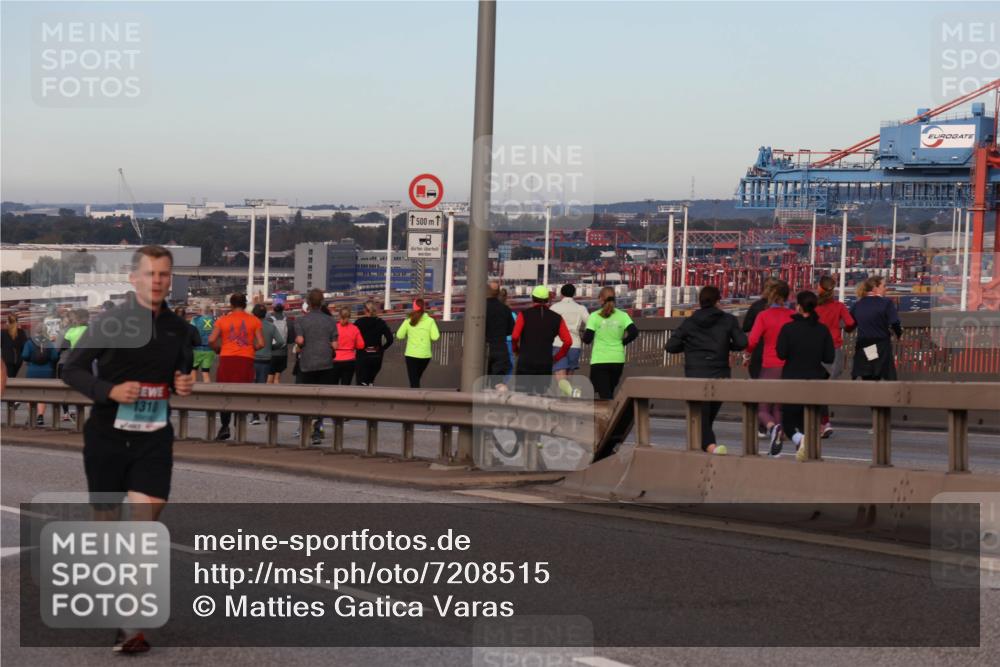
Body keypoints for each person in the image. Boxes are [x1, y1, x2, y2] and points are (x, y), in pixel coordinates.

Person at [61, 245, 194, 654]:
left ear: (171, 279)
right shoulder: (111, 322)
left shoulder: (179, 329)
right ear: (134, 278)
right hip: (106, 438)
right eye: (151, 274)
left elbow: (182, 373)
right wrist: (109, 391)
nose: (158, 281)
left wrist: (184, 384)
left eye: (164, 274)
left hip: (153, 438)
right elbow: (71, 368)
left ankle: (130, 626)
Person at [664, 285, 748, 455]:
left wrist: (690, 346)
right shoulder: (728, 320)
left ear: (700, 301)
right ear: (718, 301)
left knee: (702, 418)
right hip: (720, 375)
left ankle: (711, 447)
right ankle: (710, 447)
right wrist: (725, 345)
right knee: (707, 419)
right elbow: (742, 343)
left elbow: (671, 346)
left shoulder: (690, 322)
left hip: (696, 374)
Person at [776, 290, 836, 461]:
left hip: (792, 379)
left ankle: (800, 440)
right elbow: (829, 357)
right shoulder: (822, 330)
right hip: (815, 379)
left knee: (788, 421)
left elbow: (781, 354)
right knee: (809, 420)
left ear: (799, 307)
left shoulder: (788, 329)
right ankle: (805, 452)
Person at [746, 279, 794, 455]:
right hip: (788, 367)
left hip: (769, 366)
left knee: (762, 408)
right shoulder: (792, 314)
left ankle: (773, 429)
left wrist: (747, 352)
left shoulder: (763, 316)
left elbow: (752, 341)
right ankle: (778, 439)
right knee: (778, 407)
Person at [208, 293, 264, 441]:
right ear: (245, 304)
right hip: (246, 360)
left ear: (231, 305)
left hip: (227, 359)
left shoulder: (222, 320)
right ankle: (239, 426)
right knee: (242, 394)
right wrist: (251, 349)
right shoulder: (254, 321)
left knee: (225, 393)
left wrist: (218, 349)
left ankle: (224, 425)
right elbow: (261, 343)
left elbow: (211, 339)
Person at [294, 289, 338, 443]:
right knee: (321, 398)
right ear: (322, 303)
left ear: (308, 303)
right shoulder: (331, 321)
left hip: (307, 364)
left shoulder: (300, 321)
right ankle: (318, 427)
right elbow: (335, 344)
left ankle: (307, 426)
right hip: (326, 363)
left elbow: (299, 341)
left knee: (307, 397)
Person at [814, 275, 856, 438]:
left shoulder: (815, 307)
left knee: (815, 387)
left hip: (817, 350)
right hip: (835, 350)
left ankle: (823, 422)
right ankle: (824, 422)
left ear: (820, 288)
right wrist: (844, 330)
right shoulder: (838, 306)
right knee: (825, 388)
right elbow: (851, 323)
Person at [511, 286, 572, 396]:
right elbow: (568, 341)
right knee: (541, 395)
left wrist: (516, 350)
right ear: (547, 299)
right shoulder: (557, 318)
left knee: (522, 396)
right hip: (545, 362)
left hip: (526, 361)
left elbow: (515, 336)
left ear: (532, 298)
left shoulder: (523, 315)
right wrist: (557, 357)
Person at [583, 286, 638, 400]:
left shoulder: (594, 316)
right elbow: (634, 332)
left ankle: (610, 416)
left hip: (600, 360)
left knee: (604, 395)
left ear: (601, 299)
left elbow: (587, 339)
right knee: (609, 391)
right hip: (617, 359)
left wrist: (582, 336)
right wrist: (622, 342)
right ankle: (611, 414)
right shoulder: (623, 315)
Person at [742, 277, 779, 438]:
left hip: (758, 354)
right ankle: (777, 425)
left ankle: (763, 427)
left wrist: (746, 354)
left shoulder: (757, 307)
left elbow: (746, 328)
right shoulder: (784, 310)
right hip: (777, 355)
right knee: (777, 394)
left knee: (760, 391)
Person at [850, 275, 901, 381]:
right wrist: (899, 334)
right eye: (884, 286)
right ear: (875, 288)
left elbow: (849, 326)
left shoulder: (858, 304)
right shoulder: (886, 303)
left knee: (869, 376)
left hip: (865, 345)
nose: (886, 288)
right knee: (889, 376)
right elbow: (895, 322)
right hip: (881, 345)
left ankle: (869, 396)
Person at [550, 283, 589, 395]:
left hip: (559, 343)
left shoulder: (555, 308)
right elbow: (590, 323)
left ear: (561, 293)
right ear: (574, 294)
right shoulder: (581, 308)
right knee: (569, 375)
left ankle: (571, 393)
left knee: (560, 375)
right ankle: (568, 398)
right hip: (575, 343)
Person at [249, 303, 285, 425]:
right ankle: (268, 412)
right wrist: (271, 347)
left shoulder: (250, 326)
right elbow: (281, 341)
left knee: (252, 388)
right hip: (266, 360)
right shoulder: (271, 326)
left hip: (252, 359)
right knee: (264, 387)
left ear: (254, 314)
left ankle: (255, 416)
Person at [396, 298, 439, 388]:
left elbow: (399, 335)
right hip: (425, 356)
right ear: (423, 307)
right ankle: (416, 397)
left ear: (413, 307)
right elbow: (435, 337)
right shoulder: (430, 321)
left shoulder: (408, 320)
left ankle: (415, 399)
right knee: (416, 379)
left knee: (414, 381)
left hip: (411, 355)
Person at [22, 327, 59, 425]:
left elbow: (24, 355)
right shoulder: (49, 343)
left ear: (35, 332)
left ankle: (31, 416)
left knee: (31, 394)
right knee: (42, 394)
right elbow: (55, 357)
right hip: (47, 371)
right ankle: (40, 416)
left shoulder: (29, 342)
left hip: (32, 370)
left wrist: (31, 360)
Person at [354, 300, 393, 386]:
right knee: (370, 381)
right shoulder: (380, 322)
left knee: (361, 383)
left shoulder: (358, 323)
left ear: (365, 310)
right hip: (376, 356)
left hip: (362, 356)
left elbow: (353, 338)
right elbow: (390, 339)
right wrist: (382, 349)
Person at [485, 281, 514, 389]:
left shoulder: (479, 308)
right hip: (500, 348)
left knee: (479, 381)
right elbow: (510, 330)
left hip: (483, 348)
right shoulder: (505, 309)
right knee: (497, 383)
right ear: (498, 293)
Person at [331, 306, 364, 385]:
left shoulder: (333, 328)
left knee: (333, 385)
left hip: (335, 359)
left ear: (339, 315)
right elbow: (361, 345)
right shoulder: (354, 328)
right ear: (349, 317)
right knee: (346, 385)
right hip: (350, 360)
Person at [267, 299, 292, 384]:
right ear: (283, 308)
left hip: (272, 352)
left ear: (273, 307)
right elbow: (290, 339)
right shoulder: (287, 320)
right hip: (283, 353)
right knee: (277, 379)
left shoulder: (269, 320)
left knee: (269, 378)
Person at [190, 306, 217, 382]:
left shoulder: (195, 320)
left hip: (197, 349)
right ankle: (207, 391)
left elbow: (191, 333)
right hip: (210, 349)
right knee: (205, 372)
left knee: (193, 370)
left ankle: (194, 391)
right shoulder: (214, 320)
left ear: (201, 310)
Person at [2, 313, 28, 380]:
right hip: (18, 359)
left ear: (8, 322)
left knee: (10, 378)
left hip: (7, 359)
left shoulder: (3, 333)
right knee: (12, 376)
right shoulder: (21, 332)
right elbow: (25, 345)